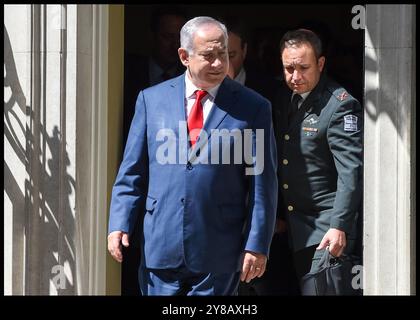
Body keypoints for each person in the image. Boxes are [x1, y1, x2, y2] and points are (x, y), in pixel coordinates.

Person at [108, 16, 278, 296]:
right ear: (184, 56)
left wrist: (257, 243)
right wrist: (119, 223)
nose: (218, 64)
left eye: (222, 54)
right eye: (208, 56)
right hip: (161, 243)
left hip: (219, 250)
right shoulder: (151, 100)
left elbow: (262, 183)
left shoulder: (253, 107)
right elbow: (132, 171)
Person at [273, 29, 363, 294]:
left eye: (303, 67)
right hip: (291, 229)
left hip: (325, 232)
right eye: (289, 68)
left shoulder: (339, 105)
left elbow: (351, 172)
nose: (295, 76)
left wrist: (339, 226)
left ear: (320, 64)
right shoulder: (281, 97)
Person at [224, 17, 299, 296]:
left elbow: (284, 156)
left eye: (230, 54)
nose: (222, 63)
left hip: (265, 222)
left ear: (244, 51)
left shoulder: (270, 92)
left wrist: (278, 217)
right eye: (216, 54)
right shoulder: (193, 95)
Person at [123, 6, 188, 145]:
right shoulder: (126, 71)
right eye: (167, 37)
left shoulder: (192, 76)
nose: (175, 45)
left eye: (179, 38)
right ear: (151, 36)